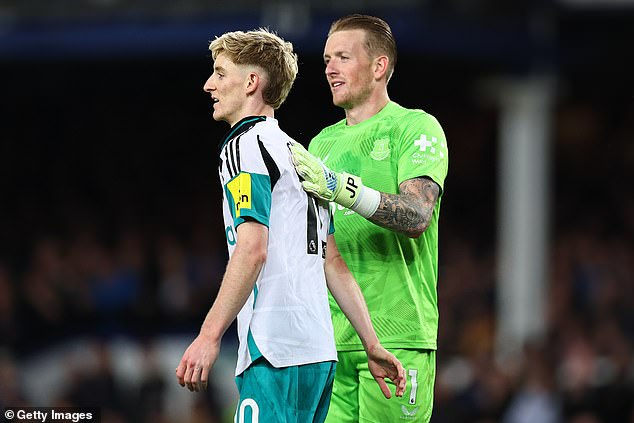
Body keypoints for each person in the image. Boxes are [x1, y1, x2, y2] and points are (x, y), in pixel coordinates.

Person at [175, 28, 406, 423]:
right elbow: (332, 263)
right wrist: (372, 342)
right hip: (318, 354)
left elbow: (252, 249)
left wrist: (209, 336)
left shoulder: (244, 145)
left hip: (273, 349)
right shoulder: (302, 157)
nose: (208, 84)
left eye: (219, 73)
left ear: (251, 83)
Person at [290, 14, 449, 423]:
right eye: (327, 58)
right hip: (332, 341)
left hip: (398, 334)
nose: (329, 67)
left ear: (379, 67)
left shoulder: (415, 127)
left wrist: (342, 187)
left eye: (343, 57)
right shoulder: (321, 143)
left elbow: (416, 215)